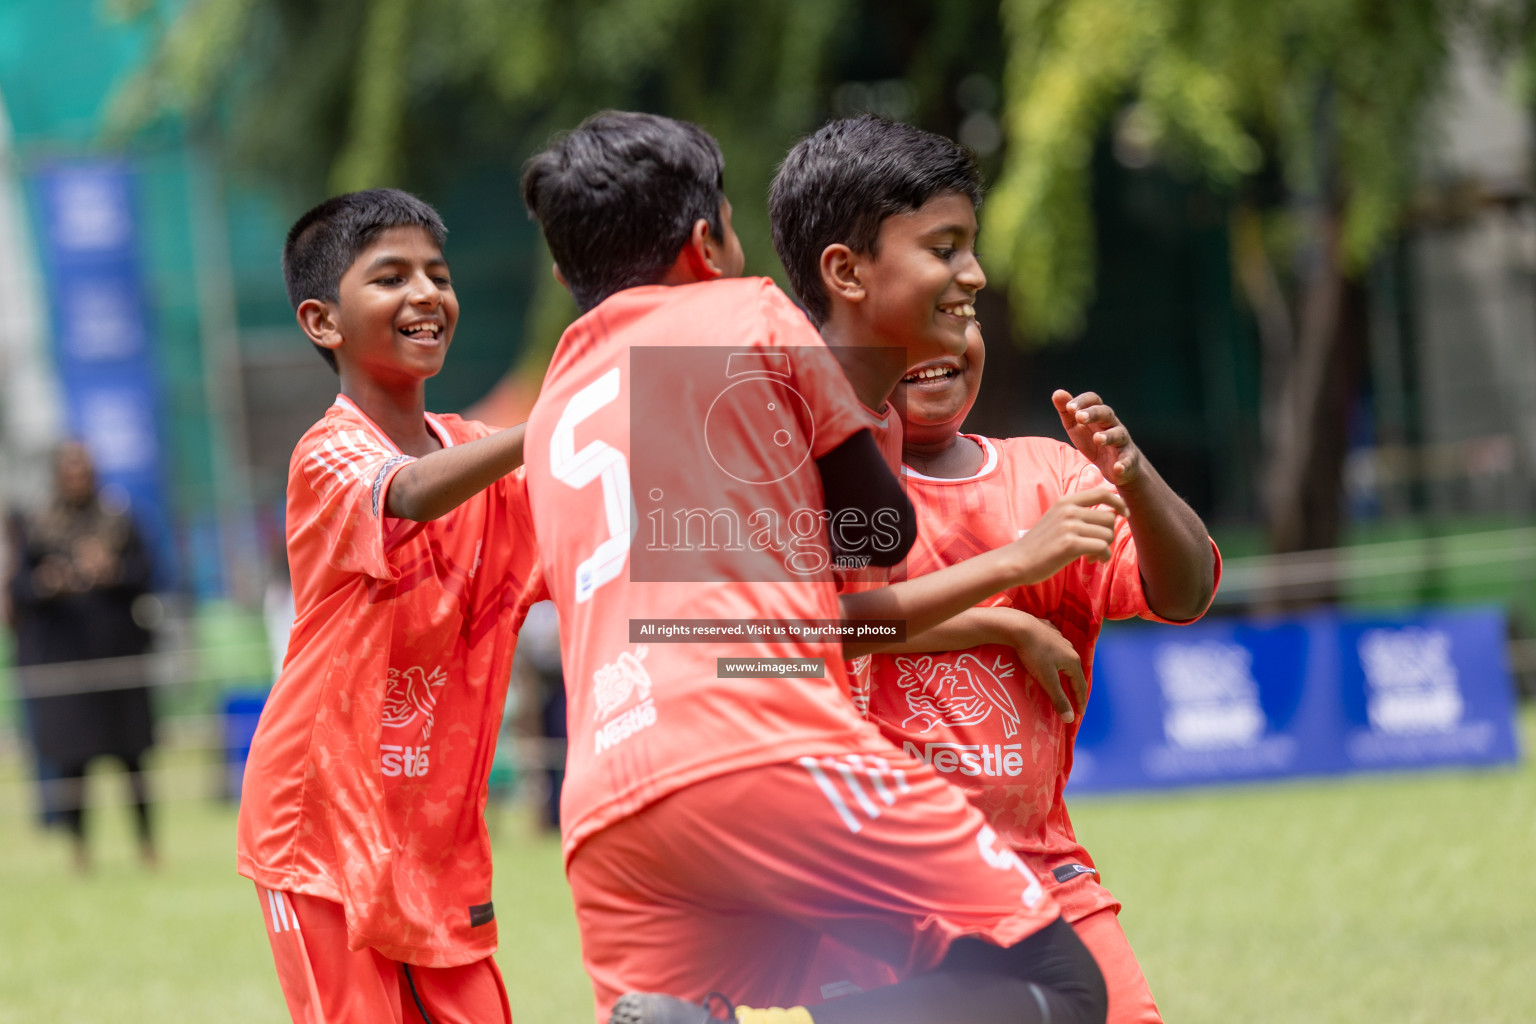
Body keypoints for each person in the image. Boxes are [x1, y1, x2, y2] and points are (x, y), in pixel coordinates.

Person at [521, 109, 1121, 1024]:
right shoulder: (749, 312)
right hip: (762, 745)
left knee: (840, 982)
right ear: (706, 241)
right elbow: (878, 534)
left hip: (608, 796)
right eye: (948, 250)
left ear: (567, 273)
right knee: (1065, 990)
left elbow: (738, 609)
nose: (971, 276)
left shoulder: (556, 401)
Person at [770, 114, 1221, 1024]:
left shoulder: (1044, 475)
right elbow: (794, 628)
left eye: (968, 310)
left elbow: (1187, 590)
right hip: (875, 900)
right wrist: (1008, 600)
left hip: (1045, 875)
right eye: (941, 264)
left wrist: (1132, 480)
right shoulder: (789, 475)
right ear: (848, 280)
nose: (962, 304)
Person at [235, 188, 541, 1024]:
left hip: (436, 845)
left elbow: (599, 543)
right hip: (321, 836)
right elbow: (406, 494)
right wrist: (555, 424)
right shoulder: (328, 453)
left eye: (438, 275)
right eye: (391, 277)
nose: (425, 295)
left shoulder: (482, 452)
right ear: (322, 321)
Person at [5, 440, 158, 872]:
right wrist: (47, 582)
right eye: (69, 470)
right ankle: (79, 853)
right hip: (65, 661)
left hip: (116, 655)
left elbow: (148, 574)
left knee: (133, 757)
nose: (77, 477)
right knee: (73, 763)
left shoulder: (119, 520)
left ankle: (147, 845)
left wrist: (113, 572)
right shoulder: (38, 526)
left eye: (83, 469)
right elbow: (18, 593)